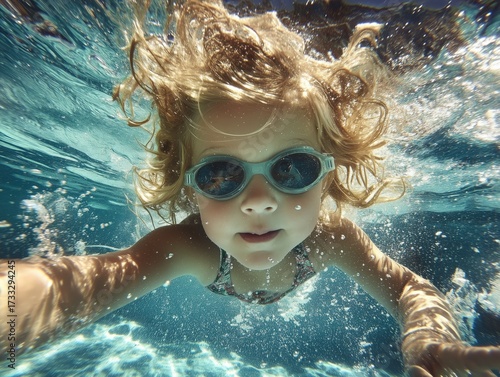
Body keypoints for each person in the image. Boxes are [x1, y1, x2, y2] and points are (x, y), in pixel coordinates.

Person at [1, 0, 499, 375]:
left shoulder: (331, 237)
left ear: (328, 177)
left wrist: (427, 338)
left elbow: (409, 288)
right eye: (221, 175)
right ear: (189, 187)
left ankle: (348, 77)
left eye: (293, 169)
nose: (259, 200)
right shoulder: (190, 247)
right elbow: (81, 287)